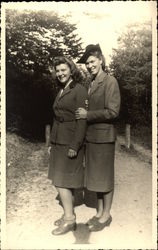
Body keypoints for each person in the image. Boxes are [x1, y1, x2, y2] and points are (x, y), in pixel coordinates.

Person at [76, 44, 121, 232]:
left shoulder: (110, 81)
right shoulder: (92, 83)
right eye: (87, 63)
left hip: (104, 138)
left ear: (100, 60)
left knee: (105, 178)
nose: (89, 66)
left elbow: (113, 112)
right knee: (96, 178)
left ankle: (106, 215)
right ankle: (100, 212)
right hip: (92, 137)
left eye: (92, 62)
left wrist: (88, 115)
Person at [48, 56, 88, 235]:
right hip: (59, 141)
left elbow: (82, 121)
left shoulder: (79, 90)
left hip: (70, 142)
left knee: (61, 181)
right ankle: (67, 214)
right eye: (57, 71)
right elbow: (57, 118)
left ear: (71, 70)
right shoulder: (62, 89)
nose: (60, 73)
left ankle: (70, 219)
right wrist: (51, 142)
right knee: (59, 180)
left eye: (63, 70)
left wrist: (75, 145)